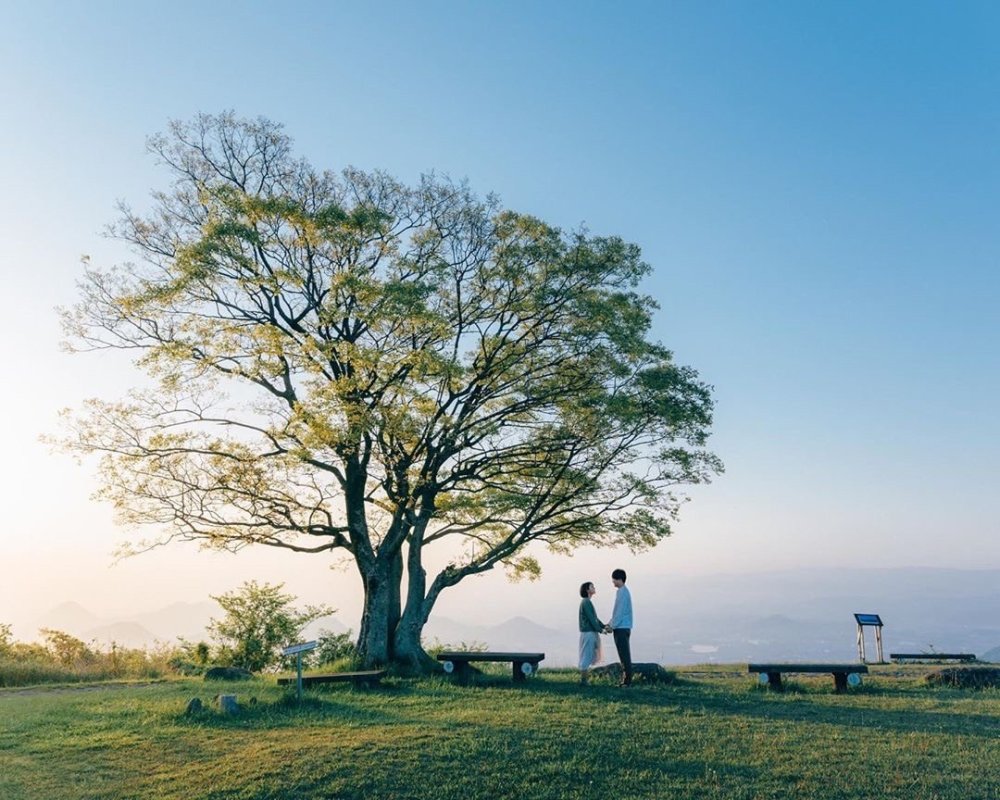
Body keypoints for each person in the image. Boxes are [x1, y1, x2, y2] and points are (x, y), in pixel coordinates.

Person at [607, 568, 633, 686]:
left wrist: (611, 626)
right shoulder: (622, 592)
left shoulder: (622, 592)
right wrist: (610, 623)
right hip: (621, 626)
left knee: (624, 654)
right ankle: (626, 679)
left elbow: (619, 613)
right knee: (623, 654)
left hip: (621, 628)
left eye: (614, 580)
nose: (613, 582)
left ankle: (627, 680)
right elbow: (616, 612)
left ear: (619, 579)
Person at [577, 581, 606, 685]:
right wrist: (601, 629)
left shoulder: (587, 602)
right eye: (592, 586)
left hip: (590, 632)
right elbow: (591, 619)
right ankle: (583, 681)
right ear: (587, 590)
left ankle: (584, 680)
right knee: (586, 655)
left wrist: (603, 626)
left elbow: (595, 618)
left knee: (588, 655)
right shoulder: (586, 602)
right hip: (588, 633)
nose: (594, 587)